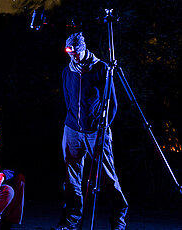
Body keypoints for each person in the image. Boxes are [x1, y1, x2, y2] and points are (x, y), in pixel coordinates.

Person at [54, 32, 128, 230]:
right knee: (71, 179)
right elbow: (67, 98)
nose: (73, 56)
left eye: (76, 51)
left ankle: (118, 220)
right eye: (70, 52)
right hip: (71, 130)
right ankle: (70, 221)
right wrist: (72, 122)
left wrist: (102, 125)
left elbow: (111, 103)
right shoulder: (67, 71)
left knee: (107, 177)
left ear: (83, 48)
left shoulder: (101, 69)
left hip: (96, 131)